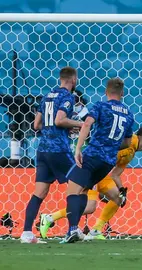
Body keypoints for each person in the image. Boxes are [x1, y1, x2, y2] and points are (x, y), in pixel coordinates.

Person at [39, 126, 142, 240]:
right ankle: (49, 218)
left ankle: (96, 230)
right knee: (90, 207)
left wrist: (122, 189)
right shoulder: (129, 141)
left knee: (118, 198)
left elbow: (115, 174)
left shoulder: (132, 152)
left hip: (103, 174)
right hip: (94, 169)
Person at [61, 77, 135, 243]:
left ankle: (72, 230)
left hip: (93, 155)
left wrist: (78, 148)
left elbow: (87, 123)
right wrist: (112, 145)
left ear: (105, 92)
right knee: (84, 191)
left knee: (72, 191)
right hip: (107, 162)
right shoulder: (129, 113)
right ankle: (75, 231)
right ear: (122, 93)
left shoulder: (101, 106)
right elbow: (128, 143)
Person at [20, 67, 83, 244]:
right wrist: (80, 124)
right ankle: (73, 229)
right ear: (73, 79)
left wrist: (56, 127)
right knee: (80, 184)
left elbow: (36, 124)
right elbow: (59, 120)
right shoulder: (67, 97)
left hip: (43, 150)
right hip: (59, 150)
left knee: (39, 192)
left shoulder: (47, 96)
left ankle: (26, 233)